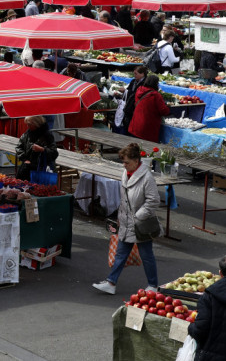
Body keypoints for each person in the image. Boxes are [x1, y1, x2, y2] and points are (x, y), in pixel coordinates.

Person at [92, 143, 159, 294]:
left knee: (146, 255)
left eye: (127, 162)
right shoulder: (126, 173)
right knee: (121, 253)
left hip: (141, 224)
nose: (124, 165)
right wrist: (120, 216)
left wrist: (138, 216)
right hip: (127, 221)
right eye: (123, 162)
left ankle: (153, 285)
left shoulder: (147, 178)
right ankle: (111, 283)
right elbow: (124, 200)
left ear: (136, 161)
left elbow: (153, 201)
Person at [128, 74, 170, 143]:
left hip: (135, 125)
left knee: (135, 148)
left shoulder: (139, 90)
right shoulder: (156, 95)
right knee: (146, 150)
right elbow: (164, 111)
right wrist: (168, 108)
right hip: (147, 128)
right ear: (156, 84)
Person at [15, 115, 58, 180]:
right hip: (27, 169)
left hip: (41, 169)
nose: (27, 127)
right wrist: (24, 159)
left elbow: (54, 153)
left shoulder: (47, 135)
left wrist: (42, 149)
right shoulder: (27, 133)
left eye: (29, 125)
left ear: (36, 124)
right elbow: (19, 147)